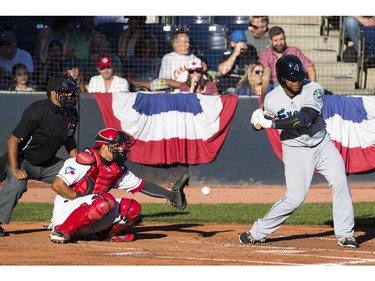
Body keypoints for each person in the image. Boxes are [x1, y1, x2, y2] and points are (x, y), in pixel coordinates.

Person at [240, 55, 358, 248]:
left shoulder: (314, 89)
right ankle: (257, 232)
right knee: (295, 198)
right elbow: (263, 120)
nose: (297, 81)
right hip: (295, 149)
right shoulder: (272, 99)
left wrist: (269, 123)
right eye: (292, 78)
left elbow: (305, 119)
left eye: (299, 76)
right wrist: (257, 121)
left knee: (339, 182)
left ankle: (346, 234)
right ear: (282, 79)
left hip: (321, 144)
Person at [48, 127, 189, 243]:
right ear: (103, 146)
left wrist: (170, 195)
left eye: (122, 145)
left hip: (92, 210)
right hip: (66, 213)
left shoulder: (117, 168)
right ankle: (61, 231)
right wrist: (83, 200)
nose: (121, 149)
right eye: (116, 145)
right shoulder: (83, 160)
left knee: (132, 208)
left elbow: (141, 185)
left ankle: (104, 235)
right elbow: (58, 185)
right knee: (105, 200)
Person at [0, 74, 80, 237]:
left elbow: (69, 141)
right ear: (53, 93)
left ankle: (66, 221)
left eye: (72, 92)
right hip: (24, 160)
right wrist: (15, 168)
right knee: (17, 185)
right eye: (66, 92)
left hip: (48, 163)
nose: (71, 95)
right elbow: (12, 140)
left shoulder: (71, 113)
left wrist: (79, 165)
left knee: (77, 180)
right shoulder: (37, 110)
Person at [258, 26, 316, 92]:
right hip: (275, 86)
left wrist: (312, 88)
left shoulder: (294, 51)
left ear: (285, 38)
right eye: (276, 40)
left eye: (281, 39)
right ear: (270, 41)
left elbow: (310, 68)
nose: (279, 43)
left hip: (296, 83)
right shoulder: (265, 54)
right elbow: (266, 73)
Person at [218, 30, 258, 94]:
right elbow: (223, 71)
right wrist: (235, 53)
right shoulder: (226, 56)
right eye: (239, 42)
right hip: (229, 91)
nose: (242, 44)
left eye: (244, 42)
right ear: (232, 43)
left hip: (246, 91)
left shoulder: (251, 57)